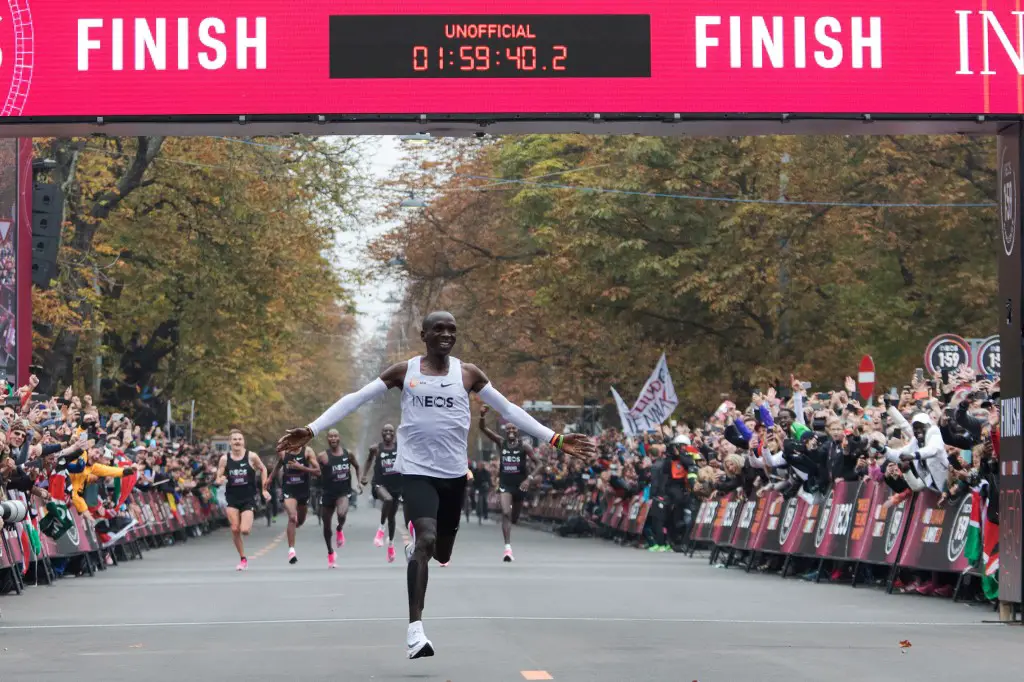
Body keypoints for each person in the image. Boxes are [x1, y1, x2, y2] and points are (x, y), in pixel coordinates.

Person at [277, 310, 595, 660]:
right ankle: (415, 630)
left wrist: (556, 439)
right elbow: (357, 398)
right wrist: (312, 429)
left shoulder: (469, 373)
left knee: (441, 552)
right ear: (423, 334)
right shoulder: (405, 371)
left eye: (451, 330)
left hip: (453, 476)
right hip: (415, 472)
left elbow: (508, 408)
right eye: (438, 329)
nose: (445, 334)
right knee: (425, 537)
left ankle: (421, 555)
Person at [478, 404, 543, 562]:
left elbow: (540, 464)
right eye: (508, 429)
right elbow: (484, 429)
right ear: (505, 432)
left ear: (517, 431)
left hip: (521, 486)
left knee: (513, 519)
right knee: (505, 513)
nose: (511, 431)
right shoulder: (501, 443)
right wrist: (481, 416)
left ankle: (511, 528)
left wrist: (529, 479)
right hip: (505, 485)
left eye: (513, 429)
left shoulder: (524, 446)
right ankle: (507, 549)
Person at [214, 429, 271, 571]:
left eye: (240, 439)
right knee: (234, 529)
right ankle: (243, 558)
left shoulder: (251, 457)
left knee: (244, 530)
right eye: (234, 439)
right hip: (232, 497)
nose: (237, 441)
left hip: (248, 498)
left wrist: (264, 489)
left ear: (243, 442)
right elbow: (218, 476)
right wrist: (220, 479)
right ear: (230, 442)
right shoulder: (225, 459)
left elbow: (263, 469)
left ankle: (245, 528)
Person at [272, 442, 320, 564]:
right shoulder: (283, 452)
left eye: (298, 439)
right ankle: (291, 550)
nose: (296, 442)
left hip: (303, 490)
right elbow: (278, 465)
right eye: (294, 439)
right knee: (292, 517)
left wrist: (302, 467)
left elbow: (318, 471)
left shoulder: (308, 451)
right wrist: (269, 479)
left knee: (300, 521)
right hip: (289, 489)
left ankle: (295, 525)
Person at [318, 428, 360, 568]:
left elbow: (357, 467)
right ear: (327, 439)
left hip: (343, 492)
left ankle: (340, 528)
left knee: (341, 514)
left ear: (339, 438)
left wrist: (359, 482)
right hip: (328, 493)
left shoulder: (348, 454)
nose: (333, 439)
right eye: (330, 437)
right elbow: (315, 470)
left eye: (335, 436)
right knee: (326, 526)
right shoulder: (322, 456)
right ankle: (330, 553)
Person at [362, 424, 402, 563]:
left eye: (391, 430)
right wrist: (364, 476)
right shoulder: (376, 448)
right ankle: (380, 530)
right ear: (381, 433)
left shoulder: (400, 448)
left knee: (392, 518)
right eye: (385, 430)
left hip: (396, 486)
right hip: (379, 484)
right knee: (388, 500)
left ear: (394, 433)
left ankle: (390, 545)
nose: (388, 433)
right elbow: (368, 461)